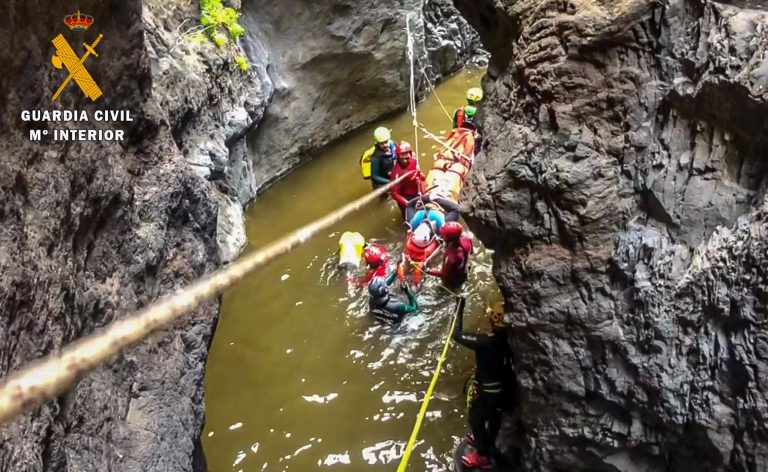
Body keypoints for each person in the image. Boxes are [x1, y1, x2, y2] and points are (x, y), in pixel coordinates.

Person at [453, 298, 515, 470]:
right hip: (504, 392)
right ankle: (489, 443)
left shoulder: (486, 342)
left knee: (475, 418)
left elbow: (456, 335)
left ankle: (482, 455)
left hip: (489, 393)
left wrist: (458, 310)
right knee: (494, 417)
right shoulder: (511, 340)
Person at [425, 221, 473, 288]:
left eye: (443, 235)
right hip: (463, 271)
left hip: (452, 281)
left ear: (448, 238)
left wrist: (428, 271)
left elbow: (444, 275)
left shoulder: (452, 258)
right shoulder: (466, 239)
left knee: (443, 289)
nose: (442, 236)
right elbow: (471, 252)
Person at [390, 141, 425, 219]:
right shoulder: (396, 173)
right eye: (402, 159)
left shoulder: (414, 161)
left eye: (407, 158)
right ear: (398, 157)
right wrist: (409, 204)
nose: (405, 161)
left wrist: (419, 175)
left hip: (418, 191)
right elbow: (394, 194)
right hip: (406, 198)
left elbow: (423, 177)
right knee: (409, 217)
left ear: (411, 155)